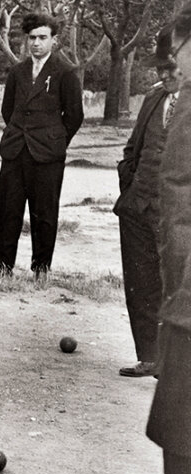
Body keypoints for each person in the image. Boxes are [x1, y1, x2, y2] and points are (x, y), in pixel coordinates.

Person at [111, 8, 191, 474]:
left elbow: (184, 210)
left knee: (184, 438)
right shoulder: (169, 100)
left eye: (178, 54)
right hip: (178, 300)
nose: (173, 67)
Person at [0, 12, 84, 277]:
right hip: (16, 150)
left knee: (44, 214)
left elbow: (74, 116)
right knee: (8, 209)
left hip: (47, 156)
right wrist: (20, 134)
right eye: (32, 38)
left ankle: (41, 268)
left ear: (54, 40)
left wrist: (54, 140)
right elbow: (8, 110)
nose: (36, 43)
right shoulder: (17, 71)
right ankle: (2, 265)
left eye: (42, 37)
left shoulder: (65, 73)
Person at [112, 47, 183, 379]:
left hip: (180, 214)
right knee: (141, 283)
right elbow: (134, 146)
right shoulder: (154, 98)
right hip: (139, 205)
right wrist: (130, 185)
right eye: (160, 70)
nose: (163, 76)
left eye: (171, 69)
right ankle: (150, 356)